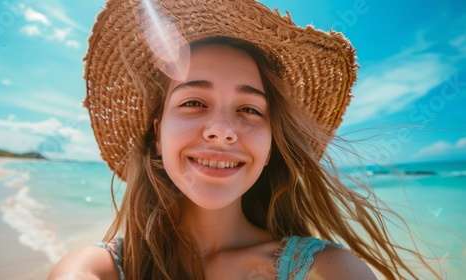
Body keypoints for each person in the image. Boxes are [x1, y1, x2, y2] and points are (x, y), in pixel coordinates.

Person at [49, 0, 441, 279]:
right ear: (156, 135)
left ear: (271, 145)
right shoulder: (95, 269)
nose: (222, 129)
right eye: (193, 102)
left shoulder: (329, 271)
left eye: (250, 110)